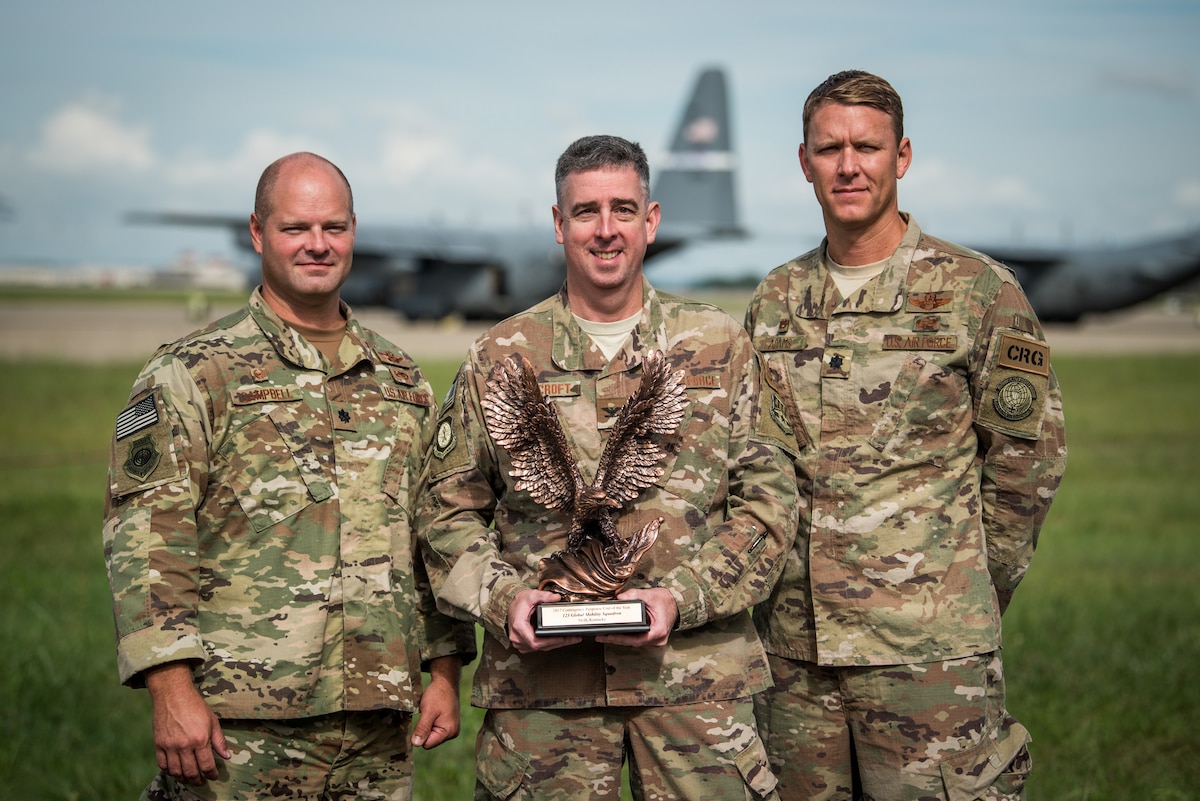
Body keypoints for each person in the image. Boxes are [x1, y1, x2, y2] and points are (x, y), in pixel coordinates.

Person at [417, 134, 799, 800]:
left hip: (694, 688)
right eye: (586, 211)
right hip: (544, 698)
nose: (605, 229)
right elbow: (444, 510)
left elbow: (769, 507)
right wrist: (507, 599)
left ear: (650, 221)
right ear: (559, 224)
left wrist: (683, 597)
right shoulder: (501, 354)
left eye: (623, 209)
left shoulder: (719, 345)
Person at [102, 152, 476, 800]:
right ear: (257, 233)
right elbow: (146, 535)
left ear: (354, 232)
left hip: (375, 724)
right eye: (295, 228)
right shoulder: (193, 371)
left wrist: (444, 667)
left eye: (333, 227)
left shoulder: (401, 379)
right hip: (237, 724)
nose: (317, 244)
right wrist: (170, 686)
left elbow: (430, 535)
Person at [745, 70, 1068, 800]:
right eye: (829, 148)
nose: (848, 165)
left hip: (929, 659)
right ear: (804, 162)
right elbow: (754, 464)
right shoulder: (776, 300)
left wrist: (964, 594)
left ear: (903, 156)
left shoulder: (976, 290)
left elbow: (1028, 463)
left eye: (867, 146)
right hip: (796, 660)